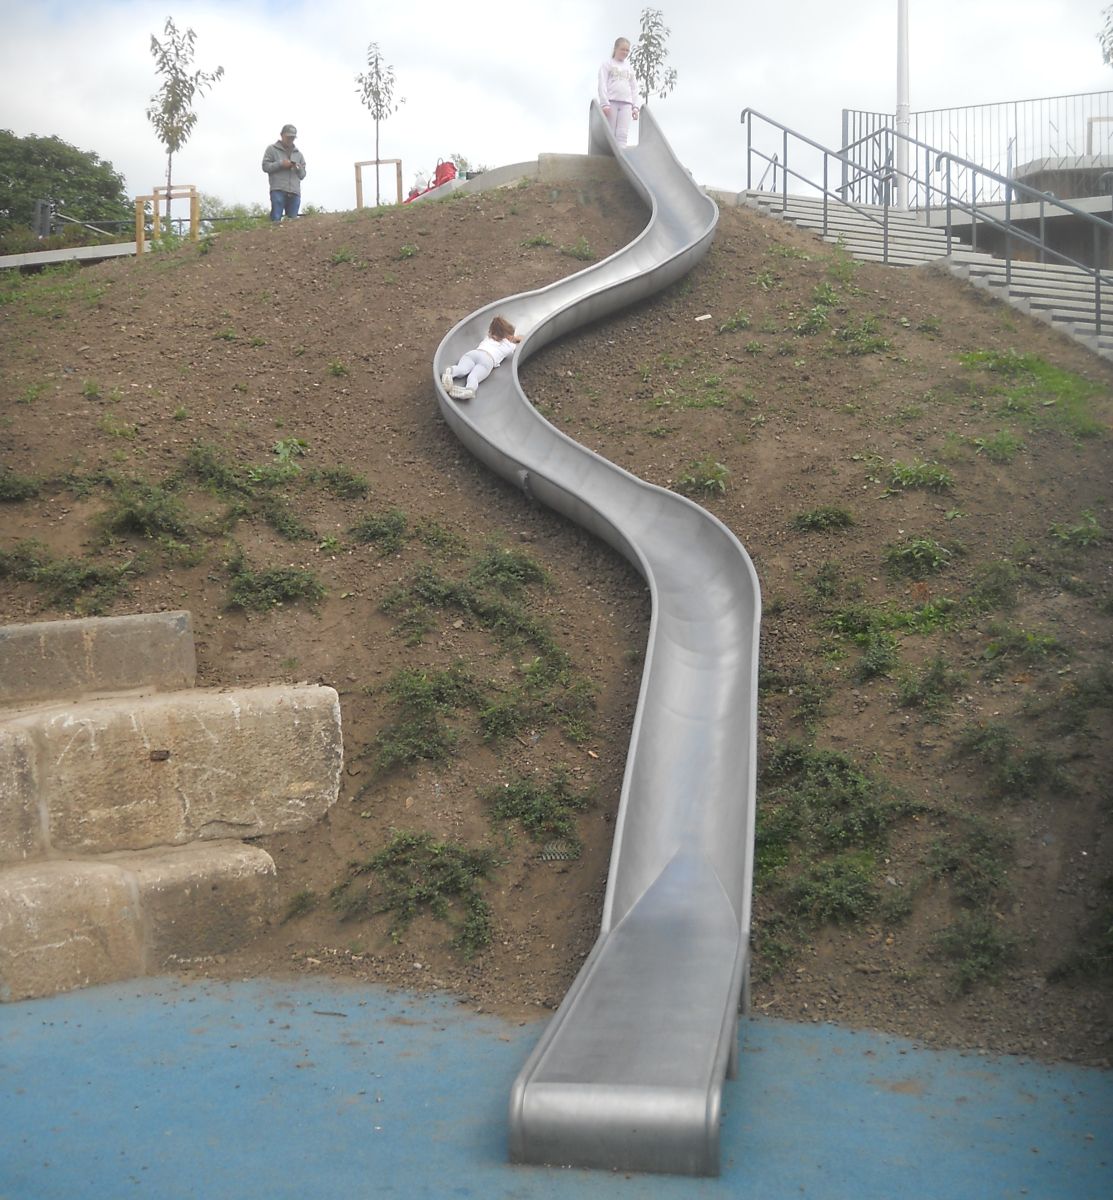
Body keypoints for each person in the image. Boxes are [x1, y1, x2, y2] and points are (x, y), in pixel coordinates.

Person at [440, 316, 523, 400]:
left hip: (473, 354)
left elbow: (498, 331)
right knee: (474, 376)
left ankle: (450, 372)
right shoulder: (508, 346)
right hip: (487, 361)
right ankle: (469, 390)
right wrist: (516, 339)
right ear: (508, 337)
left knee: (462, 369)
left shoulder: (488, 337)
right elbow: (521, 341)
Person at [597, 37, 641, 147]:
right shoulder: (607, 64)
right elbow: (602, 84)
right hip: (611, 102)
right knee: (611, 132)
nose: (625, 52)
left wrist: (635, 106)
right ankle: (611, 154)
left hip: (626, 103)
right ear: (616, 49)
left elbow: (634, 88)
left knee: (622, 133)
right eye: (623, 49)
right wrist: (604, 103)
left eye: (627, 50)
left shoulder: (629, 68)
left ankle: (621, 153)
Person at [262, 124, 307, 221]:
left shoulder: (299, 154)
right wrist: (281, 164)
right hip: (278, 189)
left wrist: (298, 168)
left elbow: (303, 175)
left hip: (294, 192)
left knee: (292, 225)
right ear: (282, 135)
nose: (291, 139)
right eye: (288, 137)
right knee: (276, 221)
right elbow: (265, 166)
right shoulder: (271, 149)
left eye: (293, 137)